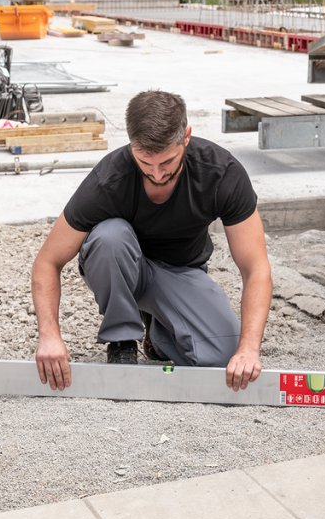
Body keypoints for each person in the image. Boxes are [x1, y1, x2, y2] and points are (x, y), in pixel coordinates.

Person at [32, 89, 273, 393]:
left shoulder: (221, 174)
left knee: (224, 358)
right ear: (131, 143)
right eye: (145, 162)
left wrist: (248, 349)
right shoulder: (108, 180)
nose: (157, 174)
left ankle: (159, 335)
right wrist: (49, 336)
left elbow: (256, 269)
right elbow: (47, 261)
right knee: (109, 238)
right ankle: (122, 338)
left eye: (167, 162)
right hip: (121, 268)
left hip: (181, 273)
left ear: (186, 137)